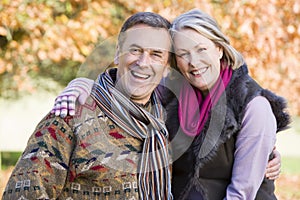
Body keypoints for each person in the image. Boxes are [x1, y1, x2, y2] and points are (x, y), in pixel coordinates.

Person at [51, 9, 290, 199]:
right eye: (183, 53)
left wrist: (265, 154)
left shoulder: (252, 106)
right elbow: (122, 92)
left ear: (219, 49)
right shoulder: (169, 97)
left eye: (201, 49)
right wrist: (83, 84)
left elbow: (242, 193)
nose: (193, 62)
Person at [2, 12, 174, 200]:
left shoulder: (162, 124)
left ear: (166, 67)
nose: (143, 62)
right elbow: (21, 194)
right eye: (135, 50)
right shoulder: (72, 114)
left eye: (156, 54)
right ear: (117, 54)